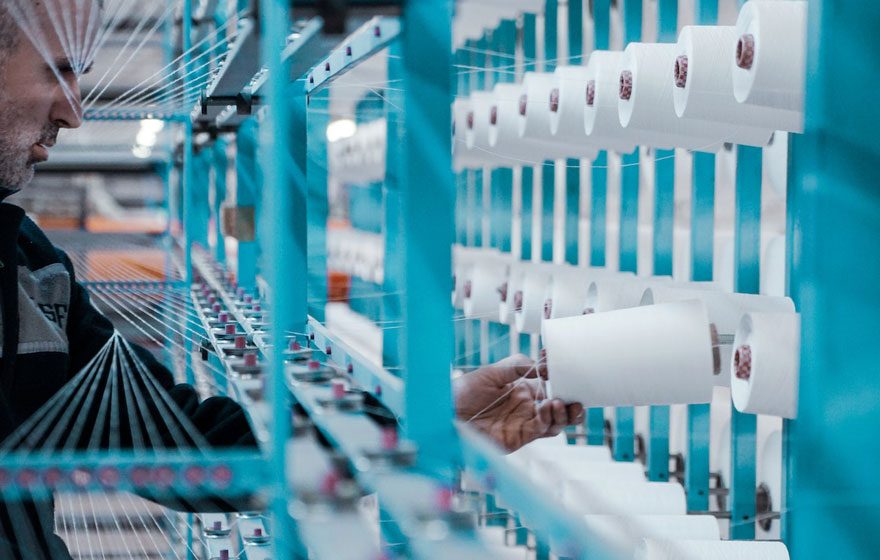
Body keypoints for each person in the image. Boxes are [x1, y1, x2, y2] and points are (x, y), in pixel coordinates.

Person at [0, 1, 584, 557]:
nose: (74, 111)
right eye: (59, 71)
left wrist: (437, 418)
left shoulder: (32, 274)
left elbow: (191, 444)